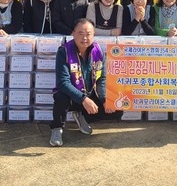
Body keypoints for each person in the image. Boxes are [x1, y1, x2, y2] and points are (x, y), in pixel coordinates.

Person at [49, 18, 122, 147]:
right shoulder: (64, 51)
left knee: (117, 109)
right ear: (73, 33)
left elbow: (101, 78)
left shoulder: (98, 51)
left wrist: (105, 99)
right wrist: (83, 99)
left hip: (89, 93)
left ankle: (82, 116)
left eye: (88, 34)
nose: (84, 38)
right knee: (61, 96)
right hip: (72, 97)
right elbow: (63, 82)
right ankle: (57, 128)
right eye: (80, 33)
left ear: (93, 35)